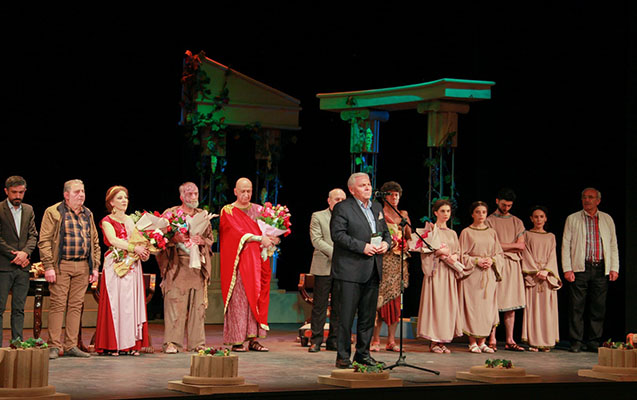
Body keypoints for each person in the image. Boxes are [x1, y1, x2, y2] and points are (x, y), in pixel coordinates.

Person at [331, 172, 391, 369]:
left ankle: (363, 354)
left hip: (372, 268)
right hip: (350, 270)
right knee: (346, 316)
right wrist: (362, 246)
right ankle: (343, 356)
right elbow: (338, 235)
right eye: (362, 185)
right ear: (352, 190)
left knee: (367, 316)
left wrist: (386, 244)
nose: (368, 188)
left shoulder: (377, 207)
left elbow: (386, 233)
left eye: (369, 184)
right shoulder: (342, 208)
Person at [39, 179, 101, 359]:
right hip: (62, 264)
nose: (81, 195)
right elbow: (44, 241)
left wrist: (95, 267)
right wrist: (48, 266)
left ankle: (71, 345)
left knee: (76, 305)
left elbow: (94, 242)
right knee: (58, 304)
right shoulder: (54, 212)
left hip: (83, 265)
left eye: (83, 191)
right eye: (76, 192)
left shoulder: (87, 213)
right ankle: (54, 345)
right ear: (66, 195)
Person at [220, 177, 279, 352]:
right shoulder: (228, 211)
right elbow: (235, 233)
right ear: (235, 192)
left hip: (258, 262)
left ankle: (254, 339)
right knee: (239, 300)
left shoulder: (259, 210)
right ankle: (237, 340)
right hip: (239, 263)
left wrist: (274, 238)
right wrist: (260, 238)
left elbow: (269, 232)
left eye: (249, 191)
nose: (246, 194)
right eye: (243, 191)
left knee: (256, 297)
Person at [156, 182, 214, 354]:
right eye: (190, 194)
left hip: (197, 266)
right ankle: (172, 343)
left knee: (198, 308)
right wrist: (174, 239)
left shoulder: (203, 215)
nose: (194, 197)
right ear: (181, 196)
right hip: (177, 265)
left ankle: (198, 343)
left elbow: (210, 239)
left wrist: (202, 241)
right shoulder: (171, 214)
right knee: (175, 305)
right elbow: (159, 238)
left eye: (196, 193)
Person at [94, 186, 150, 356]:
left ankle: (131, 344)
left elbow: (138, 240)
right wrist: (134, 248)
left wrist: (144, 251)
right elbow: (113, 240)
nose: (124, 200)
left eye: (125, 197)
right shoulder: (107, 221)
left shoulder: (131, 220)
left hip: (132, 264)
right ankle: (114, 344)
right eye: (119, 198)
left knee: (130, 304)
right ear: (111, 202)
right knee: (117, 303)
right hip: (116, 263)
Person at [562, 188, 619, 353]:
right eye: (584, 197)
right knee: (576, 307)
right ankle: (576, 341)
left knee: (598, 307)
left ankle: (593, 341)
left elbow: (613, 245)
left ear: (598, 201)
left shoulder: (607, 219)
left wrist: (614, 268)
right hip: (580, 267)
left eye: (591, 197)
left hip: (600, 268)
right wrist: (567, 268)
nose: (587, 200)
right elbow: (566, 245)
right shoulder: (572, 218)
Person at [416, 199, 463, 353]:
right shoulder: (431, 231)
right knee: (436, 305)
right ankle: (434, 341)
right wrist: (438, 253)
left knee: (447, 306)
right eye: (442, 211)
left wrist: (454, 256)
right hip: (436, 272)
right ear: (436, 212)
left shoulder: (452, 233)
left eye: (448, 211)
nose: (445, 214)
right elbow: (424, 251)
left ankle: (443, 341)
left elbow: (458, 251)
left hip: (448, 273)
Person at [371, 181, 411, 353]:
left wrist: (405, 243)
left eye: (397, 195)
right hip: (383, 260)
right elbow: (373, 234)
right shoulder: (378, 213)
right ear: (384, 196)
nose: (394, 197)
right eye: (391, 194)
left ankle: (391, 341)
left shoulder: (403, 214)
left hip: (398, 263)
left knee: (395, 302)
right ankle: (375, 339)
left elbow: (409, 237)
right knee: (379, 301)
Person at [458, 201, 503, 354]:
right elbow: (462, 255)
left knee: (486, 309)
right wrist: (476, 261)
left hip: (488, 274)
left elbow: (499, 253)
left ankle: (483, 342)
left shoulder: (492, 232)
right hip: (473, 275)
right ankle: (472, 342)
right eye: (478, 212)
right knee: (473, 308)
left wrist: (492, 260)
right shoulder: (466, 232)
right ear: (472, 214)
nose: (481, 215)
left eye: (484, 212)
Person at [485, 188, 526, 352]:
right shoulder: (489, 221)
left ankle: (510, 339)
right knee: (494, 301)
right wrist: (511, 246)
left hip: (513, 265)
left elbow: (521, 246)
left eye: (509, 205)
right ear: (497, 201)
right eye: (503, 204)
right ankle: (492, 338)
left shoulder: (517, 222)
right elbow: (491, 244)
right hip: (497, 263)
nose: (506, 208)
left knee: (511, 303)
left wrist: (503, 245)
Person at [0, 176, 38, 345]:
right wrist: (15, 255)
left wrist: (25, 253)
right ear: (6, 191)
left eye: (21, 192)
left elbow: (33, 235)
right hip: (4, 266)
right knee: (0, 308)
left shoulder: (28, 210)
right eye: (14, 192)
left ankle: (17, 344)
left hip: (22, 268)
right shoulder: (0, 209)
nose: (17, 196)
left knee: (19, 309)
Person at [307, 188, 346, 353]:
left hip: (343, 267)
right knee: (320, 305)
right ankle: (316, 340)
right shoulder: (318, 216)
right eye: (337, 199)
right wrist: (336, 253)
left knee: (339, 305)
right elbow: (316, 240)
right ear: (329, 201)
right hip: (324, 265)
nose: (340, 202)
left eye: (343, 200)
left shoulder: (349, 217)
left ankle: (334, 340)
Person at [521, 206, 561, 352]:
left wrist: (546, 271)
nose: (539, 219)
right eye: (536, 217)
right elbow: (525, 253)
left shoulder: (551, 236)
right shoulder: (527, 234)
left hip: (547, 277)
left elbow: (552, 256)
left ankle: (547, 341)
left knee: (547, 310)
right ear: (531, 219)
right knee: (534, 309)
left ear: (546, 219)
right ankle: (534, 341)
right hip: (533, 276)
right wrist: (535, 271)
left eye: (541, 216)